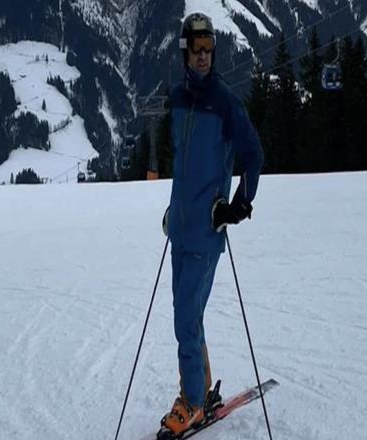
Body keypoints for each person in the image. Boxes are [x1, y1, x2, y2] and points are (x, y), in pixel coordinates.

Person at [160, 12, 264, 437]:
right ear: (185, 52)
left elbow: (253, 154)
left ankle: (191, 402)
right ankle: (199, 390)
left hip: (206, 231)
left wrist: (238, 205)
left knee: (186, 318)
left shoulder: (225, 103)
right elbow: (184, 166)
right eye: (196, 49)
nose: (203, 57)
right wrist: (173, 210)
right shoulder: (177, 100)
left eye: (209, 50)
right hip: (180, 229)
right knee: (188, 315)